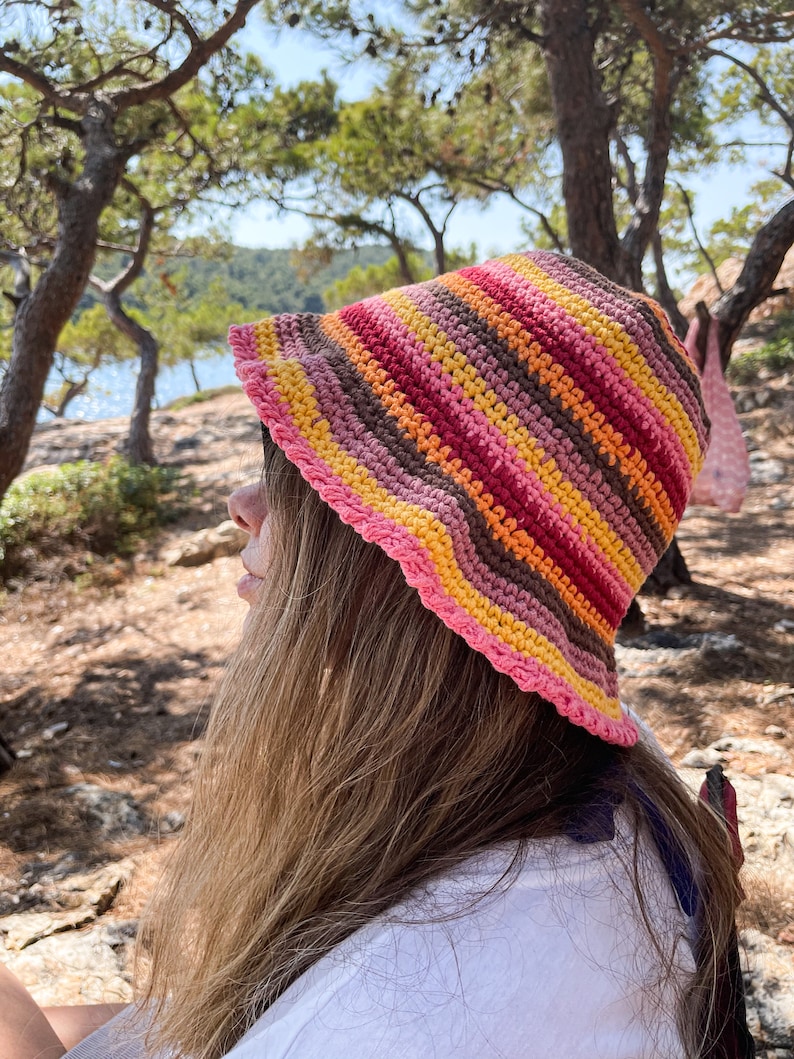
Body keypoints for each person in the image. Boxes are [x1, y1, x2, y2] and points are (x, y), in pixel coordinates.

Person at [1, 251, 749, 1059]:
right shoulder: (607, 775)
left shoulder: (403, 1013)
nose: (241, 505)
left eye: (295, 473)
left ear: (417, 554)